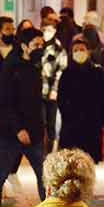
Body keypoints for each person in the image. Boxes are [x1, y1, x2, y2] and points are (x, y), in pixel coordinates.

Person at [0, 27, 47, 207]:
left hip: (34, 132)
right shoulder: (10, 68)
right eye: (36, 45)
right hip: (10, 134)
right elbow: (6, 103)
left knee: (44, 174)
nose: (40, 48)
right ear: (24, 46)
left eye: (42, 44)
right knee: (1, 173)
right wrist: (19, 129)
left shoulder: (35, 67)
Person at [57, 37, 104, 164]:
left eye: (82, 49)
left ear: (88, 52)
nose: (79, 52)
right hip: (72, 124)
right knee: (72, 160)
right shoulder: (67, 74)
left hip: (92, 123)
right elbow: (61, 99)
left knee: (90, 160)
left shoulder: (97, 72)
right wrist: (67, 114)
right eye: (75, 50)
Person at [39, 11, 68, 152]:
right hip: (36, 90)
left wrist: (55, 89)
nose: (46, 32)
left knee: (50, 123)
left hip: (51, 92)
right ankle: (40, 150)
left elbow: (61, 70)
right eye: (44, 29)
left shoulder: (58, 48)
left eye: (49, 30)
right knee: (39, 122)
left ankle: (49, 151)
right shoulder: (37, 45)